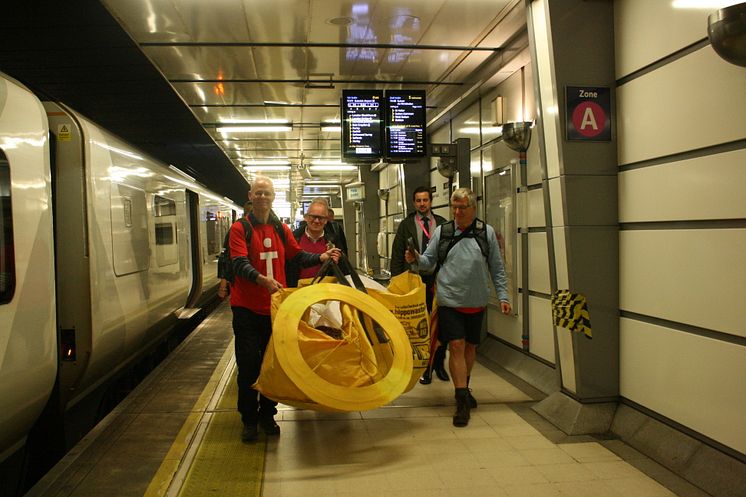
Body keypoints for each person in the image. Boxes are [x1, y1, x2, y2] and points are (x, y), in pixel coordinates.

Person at [229, 176, 341, 442]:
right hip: (246, 308)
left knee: (272, 364)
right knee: (248, 365)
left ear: (273, 196)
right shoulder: (239, 228)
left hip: (274, 308)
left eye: (267, 193)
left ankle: (268, 415)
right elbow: (239, 263)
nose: (262, 198)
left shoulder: (281, 229)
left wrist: (321, 257)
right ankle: (249, 418)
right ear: (250, 195)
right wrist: (262, 279)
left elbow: (297, 255)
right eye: (258, 193)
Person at [406, 187, 511, 427]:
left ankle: (464, 384)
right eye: (454, 207)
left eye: (462, 208)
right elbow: (428, 262)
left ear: (473, 208)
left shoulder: (486, 233)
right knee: (456, 345)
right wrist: (415, 259)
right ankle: (461, 399)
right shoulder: (443, 232)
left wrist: (503, 296)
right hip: (449, 300)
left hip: (476, 301)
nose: (457, 212)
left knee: (470, 348)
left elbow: (497, 267)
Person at [390, 186, 449, 384]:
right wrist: (397, 281)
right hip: (415, 280)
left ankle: (439, 364)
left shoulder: (442, 224)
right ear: (414, 203)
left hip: (438, 280)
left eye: (425, 200)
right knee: (419, 324)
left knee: (439, 324)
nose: (422, 203)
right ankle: (423, 366)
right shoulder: (406, 224)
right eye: (418, 200)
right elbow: (398, 253)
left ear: (431, 202)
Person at [286, 197, 335, 287]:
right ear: (306, 217)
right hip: (298, 292)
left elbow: (344, 270)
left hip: (326, 293)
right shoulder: (293, 239)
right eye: (313, 216)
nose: (316, 221)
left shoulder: (334, 240)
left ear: (326, 220)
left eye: (321, 218)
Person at [218, 200, 252, 300]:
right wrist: (223, 287)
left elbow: (225, 257)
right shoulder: (239, 228)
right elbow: (227, 257)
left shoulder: (237, 228)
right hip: (243, 280)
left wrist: (222, 287)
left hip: (242, 282)